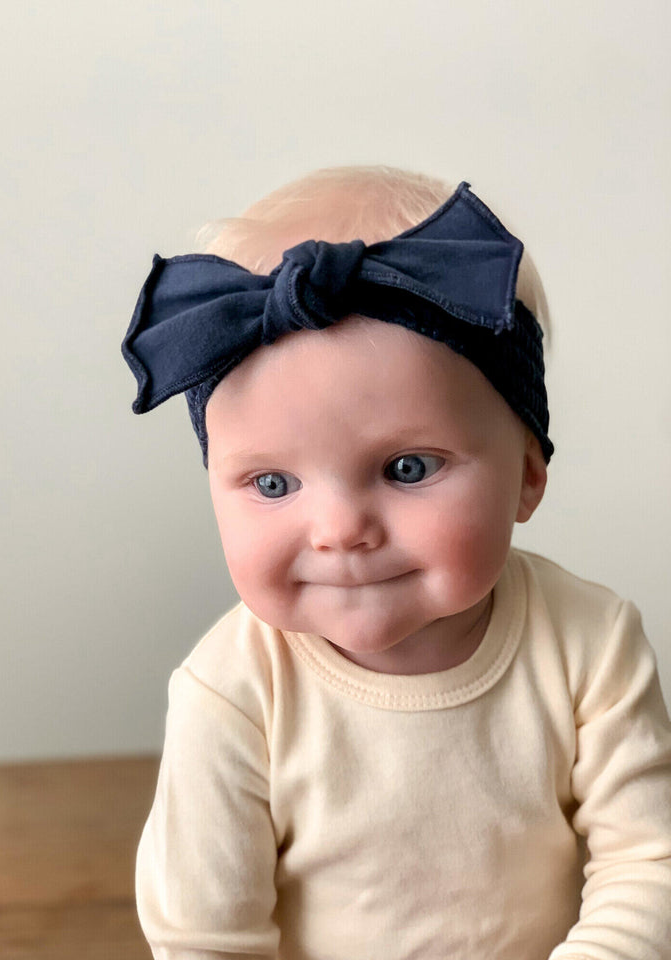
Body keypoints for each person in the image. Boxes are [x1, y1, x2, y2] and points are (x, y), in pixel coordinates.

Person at [122, 166, 671, 960]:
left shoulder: (589, 642)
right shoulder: (235, 690)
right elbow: (206, 935)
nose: (339, 531)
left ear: (526, 472)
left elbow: (649, 861)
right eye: (272, 483)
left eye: (407, 468)